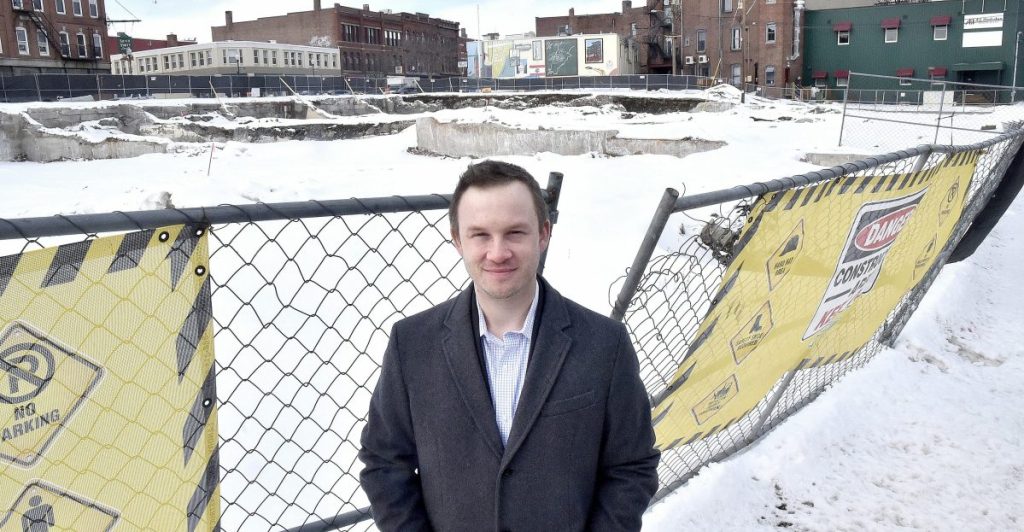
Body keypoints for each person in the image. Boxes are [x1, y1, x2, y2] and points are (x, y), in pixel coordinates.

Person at [359, 160, 660, 532]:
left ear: (544, 234)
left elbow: (631, 467)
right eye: (480, 235)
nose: (498, 253)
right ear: (457, 240)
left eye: (515, 232)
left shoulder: (603, 344)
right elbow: (385, 464)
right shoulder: (412, 345)